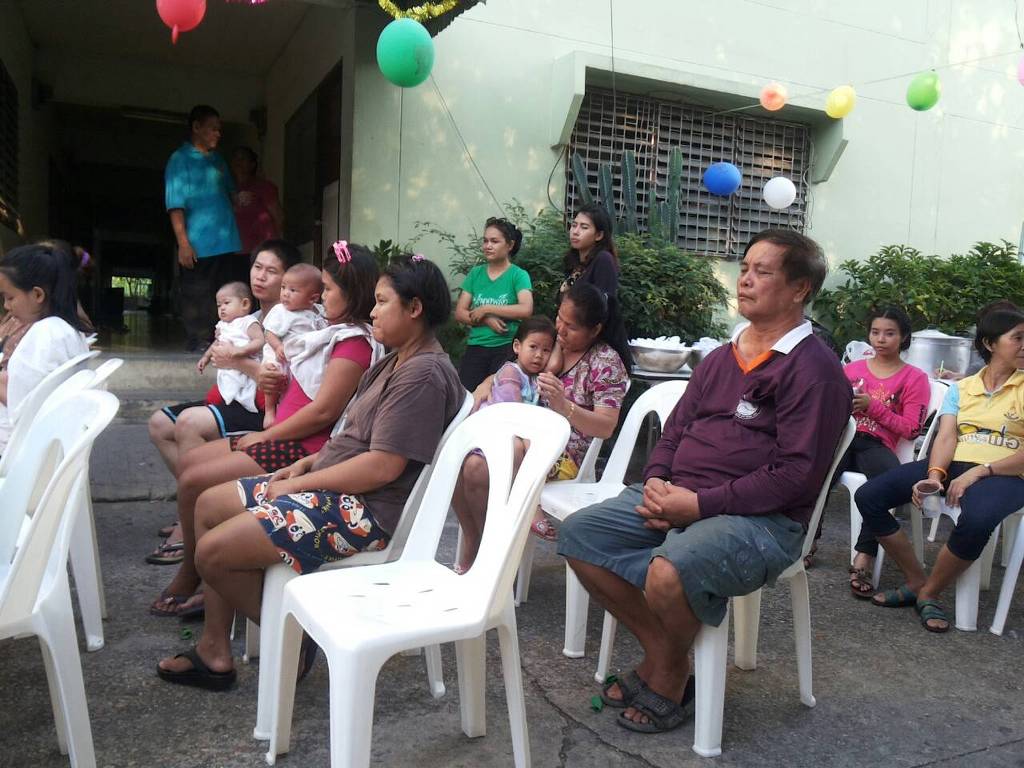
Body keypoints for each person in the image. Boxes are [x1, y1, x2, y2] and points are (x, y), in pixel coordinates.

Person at [558, 229, 851, 733]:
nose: (745, 280)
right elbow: (675, 431)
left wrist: (698, 506)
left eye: (763, 272)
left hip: (763, 520)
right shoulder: (720, 358)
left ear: (800, 289)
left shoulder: (814, 371)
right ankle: (664, 655)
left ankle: (668, 678)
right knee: (580, 535)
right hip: (680, 497)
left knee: (668, 572)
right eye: (745, 268)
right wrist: (656, 480)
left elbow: (796, 476)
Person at [156, 255, 465, 690]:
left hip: (363, 512)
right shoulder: (398, 360)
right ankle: (214, 651)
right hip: (334, 488)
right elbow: (352, 438)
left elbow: (383, 466)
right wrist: (305, 464)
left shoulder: (423, 375)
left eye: (382, 302)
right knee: (207, 505)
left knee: (213, 553)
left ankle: (299, 636)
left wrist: (300, 482)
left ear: (414, 308)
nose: (373, 311)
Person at [148, 243, 380, 617]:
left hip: (302, 446)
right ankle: (206, 574)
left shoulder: (353, 342)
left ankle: (195, 572)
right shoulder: (323, 325)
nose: (321, 296)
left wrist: (265, 434)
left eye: (328, 289)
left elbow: (323, 411)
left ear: (351, 293)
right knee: (190, 465)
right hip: (286, 433)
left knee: (195, 482)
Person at [854, 305, 1024, 633]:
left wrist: (980, 471)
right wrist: (934, 475)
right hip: (956, 463)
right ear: (990, 343)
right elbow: (946, 436)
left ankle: (930, 592)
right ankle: (915, 579)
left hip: (1007, 473)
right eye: (1017, 338)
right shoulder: (963, 388)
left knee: (977, 520)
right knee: (869, 496)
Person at [457, 281, 628, 567]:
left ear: (595, 329)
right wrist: (486, 384)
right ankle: (480, 545)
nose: (561, 329)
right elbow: (516, 369)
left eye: (571, 326)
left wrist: (565, 407)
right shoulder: (553, 343)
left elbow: (605, 426)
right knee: (460, 463)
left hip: (563, 453)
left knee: (477, 467)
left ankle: (487, 556)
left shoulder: (605, 362)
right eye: (560, 318)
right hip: (524, 434)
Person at [837, 307, 930, 594]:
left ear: (903, 337)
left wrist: (873, 408)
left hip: (876, 444)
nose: (880, 339)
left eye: (889, 333)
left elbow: (911, 429)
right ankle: (808, 541)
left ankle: (864, 555)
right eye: (875, 332)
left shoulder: (914, 378)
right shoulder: (851, 370)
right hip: (843, 439)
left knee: (883, 486)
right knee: (814, 471)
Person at [452, 315, 557, 571]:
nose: (539, 355)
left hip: (509, 437)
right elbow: (513, 412)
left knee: (521, 449)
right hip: (494, 432)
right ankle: (490, 539)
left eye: (546, 350)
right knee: (521, 448)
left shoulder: (538, 377)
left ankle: (485, 547)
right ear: (517, 346)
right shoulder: (511, 371)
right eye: (533, 347)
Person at [0, 243, 93, 454]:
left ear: (37, 295)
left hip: (16, 449)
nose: (6, 306)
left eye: (10, 297)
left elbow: (24, 412)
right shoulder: (68, 330)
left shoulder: (42, 335)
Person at [165, 104, 242, 352]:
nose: (218, 134)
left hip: (226, 240)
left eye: (219, 129)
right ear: (196, 127)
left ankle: (222, 338)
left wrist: (241, 198)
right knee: (197, 293)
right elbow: (175, 205)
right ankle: (198, 340)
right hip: (198, 243)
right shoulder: (179, 159)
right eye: (213, 128)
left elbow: (231, 193)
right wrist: (183, 243)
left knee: (226, 292)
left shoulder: (218, 160)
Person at [454, 217, 533, 390]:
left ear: (510, 245)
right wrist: (486, 319)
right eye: (485, 241)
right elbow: (460, 312)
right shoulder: (475, 274)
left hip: (506, 347)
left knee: (500, 397)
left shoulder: (518, 275)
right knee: (467, 397)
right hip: (476, 347)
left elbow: (526, 309)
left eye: (494, 241)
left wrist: (487, 308)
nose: (488, 246)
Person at [559, 203, 632, 368]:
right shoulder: (575, 265)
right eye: (574, 225)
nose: (575, 231)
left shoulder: (603, 260)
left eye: (584, 227)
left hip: (595, 351)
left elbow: (603, 310)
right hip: (572, 344)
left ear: (599, 235)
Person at [261, 262, 329, 427]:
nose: (285, 294)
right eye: (283, 287)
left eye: (292, 290)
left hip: (301, 356)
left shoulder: (319, 312)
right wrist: (278, 346)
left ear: (313, 298)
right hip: (280, 353)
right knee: (273, 373)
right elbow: (269, 333)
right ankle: (269, 410)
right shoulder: (281, 311)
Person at [196, 282, 264, 414]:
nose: (222, 308)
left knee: (256, 397)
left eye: (227, 303)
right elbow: (217, 342)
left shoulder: (248, 322)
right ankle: (213, 417)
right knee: (213, 398)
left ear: (245, 304)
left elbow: (259, 341)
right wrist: (206, 357)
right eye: (219, 305)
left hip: (247, 372)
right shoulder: (222, 325)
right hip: (228, 374)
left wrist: (241, 350)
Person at [230, 146, 284, 256]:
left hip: (263, 250)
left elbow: (278, 217)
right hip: (238, 252)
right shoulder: (228, 190)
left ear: (252, 164)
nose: (238, 162)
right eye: (235, 158)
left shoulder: (264, 187)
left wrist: (276, 247)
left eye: (243, 158)